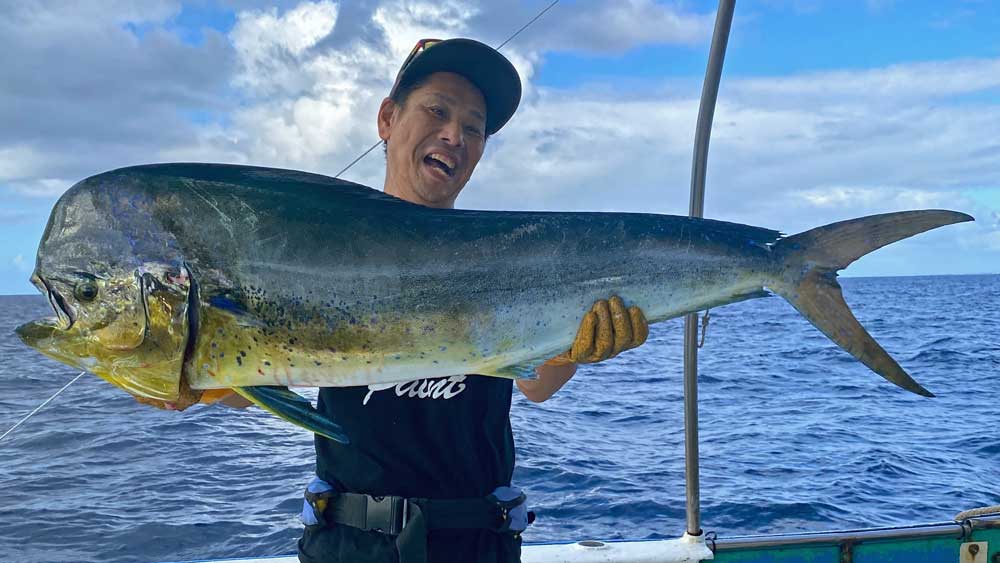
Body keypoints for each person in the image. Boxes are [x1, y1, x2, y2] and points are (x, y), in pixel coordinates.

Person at [230, 38, 650, 563]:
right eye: (437, 111)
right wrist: (179, 373)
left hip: (477, 543)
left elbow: (538, 384)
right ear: (387, 118)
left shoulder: (502, 259)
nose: (455, 135)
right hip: (349, 546)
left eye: (474, 127)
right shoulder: (320, 255)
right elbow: (254, 379)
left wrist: (580, 346)